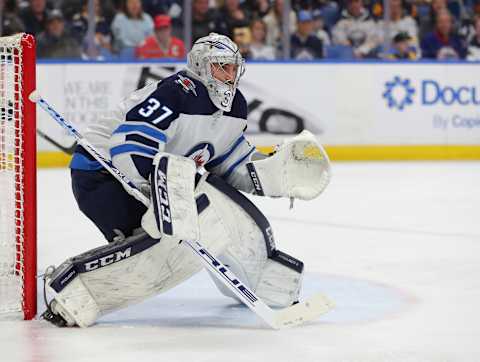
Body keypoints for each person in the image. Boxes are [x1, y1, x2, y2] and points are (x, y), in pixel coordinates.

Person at [40, 33, 331, 328]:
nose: (230, 76)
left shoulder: (236, 107)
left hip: (161, 179)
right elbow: (129, 144)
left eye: (233, 67)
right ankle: (72, 291)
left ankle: (264, 281)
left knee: (215, 214)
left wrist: (270, 173)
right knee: (161, 249)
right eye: (221, 67)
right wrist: (155, 188)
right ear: (201, 66)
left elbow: (230, 162)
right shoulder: (177, 92)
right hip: (102, 175)